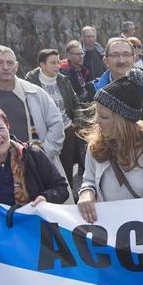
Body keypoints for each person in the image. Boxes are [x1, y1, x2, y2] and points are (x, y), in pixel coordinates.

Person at [76, 68, 143, 223]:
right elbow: (88, 179)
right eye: (97, 114)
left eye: (103, 117)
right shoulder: (95, 146)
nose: (97, 121)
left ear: (123, 121)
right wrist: (86, 192)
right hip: (111, 233)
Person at [0, 45, 65, 177]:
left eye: (9, 63)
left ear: (16, 66)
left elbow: (56, 123)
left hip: (39, 166)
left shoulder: (35, 93)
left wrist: (43, 154)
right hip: (1, 170)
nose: (5, 67)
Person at [0, 104, 69, 204]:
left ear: (8, 126)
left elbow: (61, 188)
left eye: (0, 128)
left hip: (37, 225)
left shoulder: (32, 155)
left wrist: (46, 198)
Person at [26, 48, 82, 187]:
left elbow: (75, 103)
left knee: (67, 165)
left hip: (66, 130)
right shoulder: (31, 84)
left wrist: (76, 122)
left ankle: (67, 193)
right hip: (42, 134)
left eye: (58, 62)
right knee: (45, 165)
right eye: (53, 63)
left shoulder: (63, 80)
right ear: (42, 65)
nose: (58, 66)